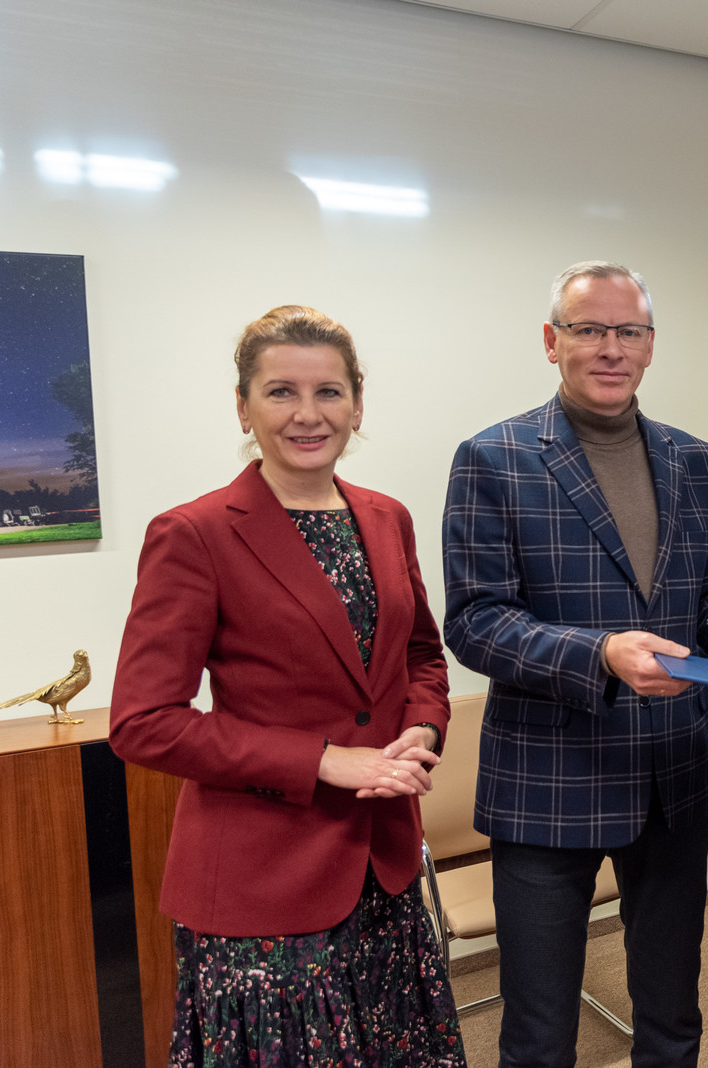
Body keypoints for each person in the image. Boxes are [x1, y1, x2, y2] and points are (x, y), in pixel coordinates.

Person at [441, 261, 708, 1068]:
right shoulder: (493, 457)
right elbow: (474, 623)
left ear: (650, 345)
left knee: (673, 1021)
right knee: (540, 1037)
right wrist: (601, 654)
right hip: (546, 784)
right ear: (552, 342)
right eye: (589, 330)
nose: (611, 348)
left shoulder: (696, 460)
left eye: (629, 332)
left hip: (669, 780)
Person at [109, 305, 462, 1066]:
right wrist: (324, 760)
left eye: (329, 392)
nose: (308, 414)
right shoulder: (194, 533)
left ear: (357, 404)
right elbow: (143, 721)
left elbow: (422, 657)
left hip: (384, 871)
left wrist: (422, 727)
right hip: (262, 884)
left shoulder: (387, 518)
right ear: (244, 407)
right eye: (280, 392)